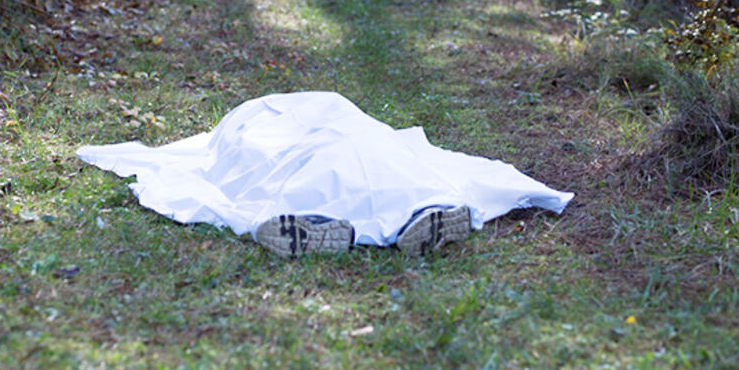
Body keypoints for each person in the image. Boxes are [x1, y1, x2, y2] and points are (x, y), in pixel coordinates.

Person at [77, 92, 573, 258]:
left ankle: (309, 219)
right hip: (342, 131)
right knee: (372, 154)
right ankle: (426, 207)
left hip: (331, 127)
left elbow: (218, 158)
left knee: (332, 153)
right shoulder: (244, 126)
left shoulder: (244, 124)